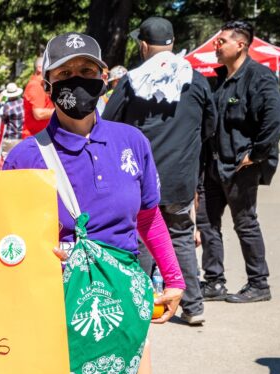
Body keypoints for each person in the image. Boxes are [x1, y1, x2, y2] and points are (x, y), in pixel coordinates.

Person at [2, 33, 184, 374]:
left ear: (103, 78)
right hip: (51, 310)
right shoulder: (24, 157)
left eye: (86, 70)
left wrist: (174, 278)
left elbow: (148, 218)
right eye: (64, 73)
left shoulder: (131, 142)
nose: (77, 79)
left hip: (117, 308)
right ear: (47, 85)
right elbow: (8, 241)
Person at [103, 17, 217, 325]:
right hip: (181, 176)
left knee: (142, 237)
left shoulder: (132, 81)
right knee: (180, 235)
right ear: (173, 43)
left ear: (143, 45)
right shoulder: (195, 79)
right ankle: (193, 307)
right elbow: (211, 125)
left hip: (141, 175)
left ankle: (136, 308)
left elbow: (108, 123)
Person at [197, 20, 280, 303]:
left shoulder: (259, 77)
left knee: (245, 223)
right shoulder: (220, 78)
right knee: (207, 223)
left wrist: (256, 154)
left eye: (221, 41)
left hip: (240, 166)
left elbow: (275, 120)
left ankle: (259, 284)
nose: (216, 45)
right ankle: (214, 282)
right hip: (213, 165)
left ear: (241, 45)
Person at [22, 56, 55, 138]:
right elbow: (39, 114)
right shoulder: (35, 85)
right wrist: (62, 111)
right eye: (50, 65)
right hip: (36, 138)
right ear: (40, 68)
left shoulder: (42, 85)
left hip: (43, 136)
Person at [0, 82, 24, 151]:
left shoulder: (7, 105)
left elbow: (4, 121)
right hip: (22, 136)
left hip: (11, 137)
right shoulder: (23, 102)